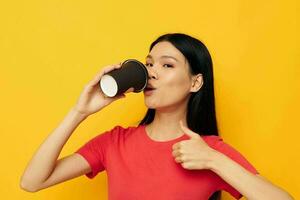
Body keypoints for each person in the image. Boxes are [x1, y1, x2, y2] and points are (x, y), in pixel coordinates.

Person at [20, 33, 294, 200]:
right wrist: (80, 111)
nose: (151, 72)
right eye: (149, 64)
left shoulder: (208, 151)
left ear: (195, 83)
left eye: (167, 65)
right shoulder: (114, 143)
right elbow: (32, 182)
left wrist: (213, 160)